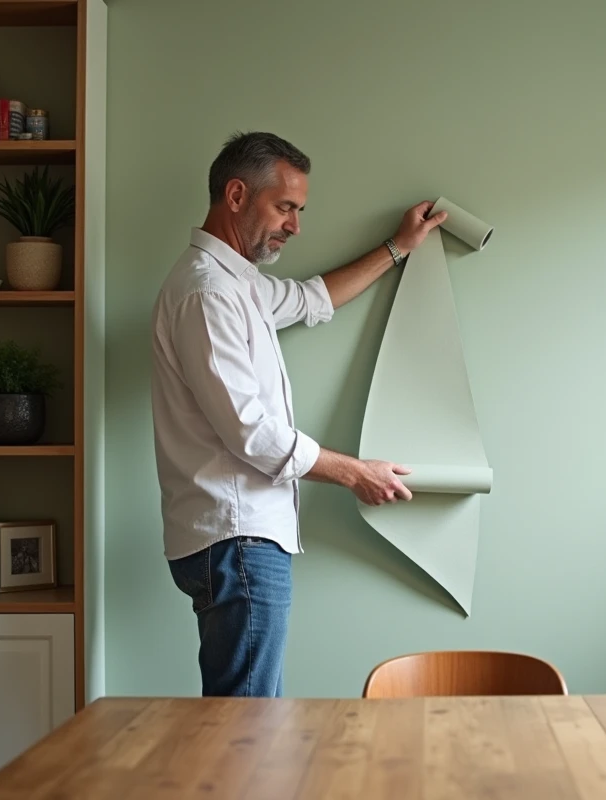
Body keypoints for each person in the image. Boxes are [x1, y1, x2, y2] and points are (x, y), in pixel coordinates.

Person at [150, 131, 448, 697]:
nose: (295, 225)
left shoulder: (240, 288)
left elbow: (316, 298)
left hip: (235, 539)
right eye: (285, 207)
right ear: (236, 195)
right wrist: (355, 472)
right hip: (237, 539)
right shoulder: (208, 294)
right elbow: (251, 433)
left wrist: (398, 248)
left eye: (299, 210)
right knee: (248, 728)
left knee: (244, 723)